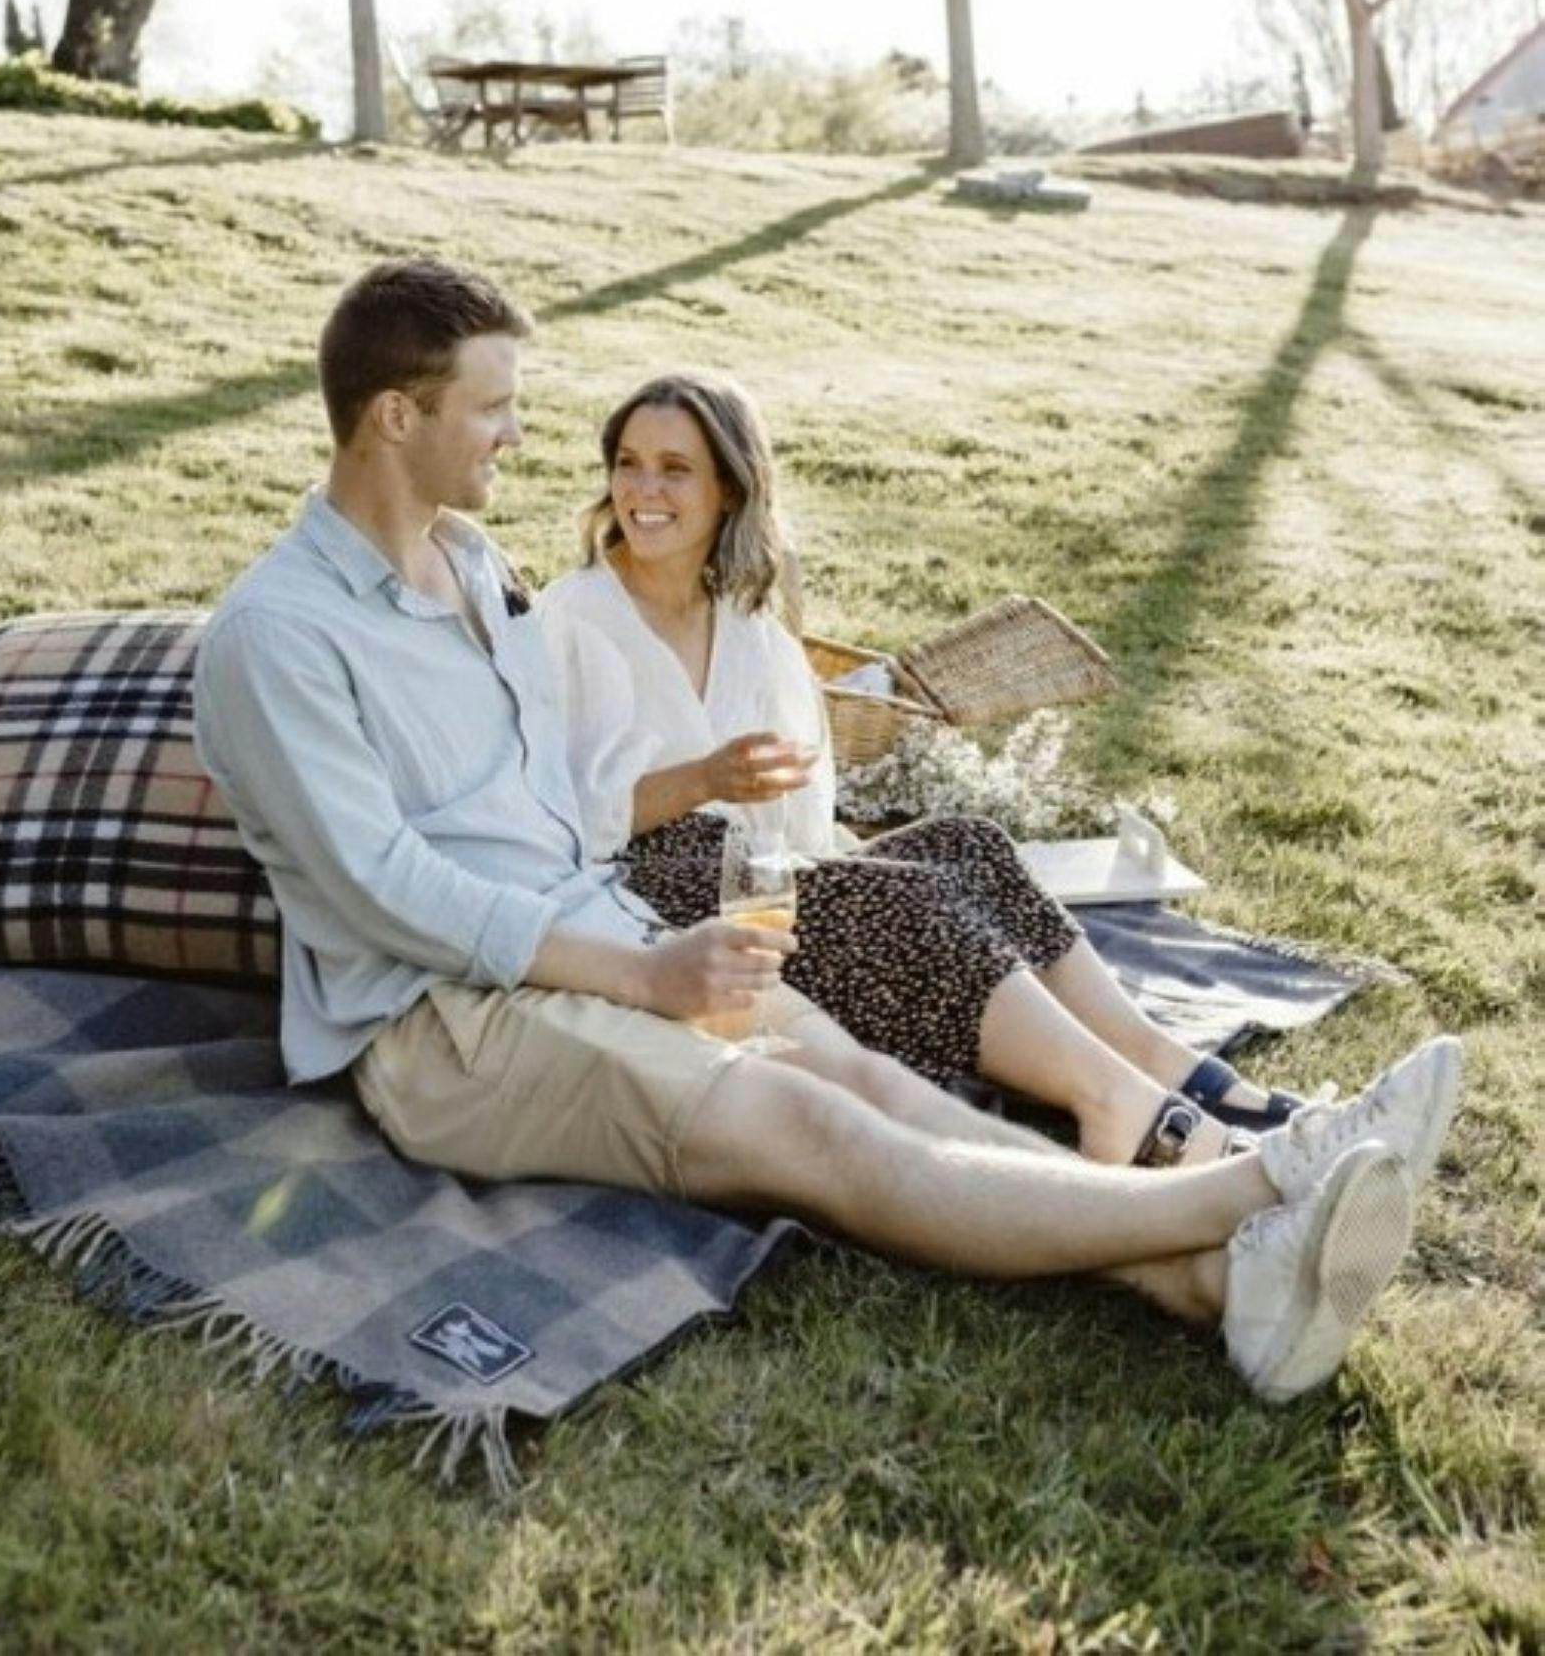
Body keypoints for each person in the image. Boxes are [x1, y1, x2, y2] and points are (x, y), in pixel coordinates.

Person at [193, 257, 1462, 1407]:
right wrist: (642, 970)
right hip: (449, 1020)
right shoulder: (277, 635)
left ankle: (1219, 1287)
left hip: (605, 927)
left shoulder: (471, 569)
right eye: (492, 407)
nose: (519, 437)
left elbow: (544, 799)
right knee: (810, 1131)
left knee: (864, 1077)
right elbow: (382, 886)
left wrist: (643, 932)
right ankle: (1265, 1180)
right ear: (397, 415)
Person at [537, 372, 1306, 1167]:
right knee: (912, 893)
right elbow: (549, 817)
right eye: (629, 463)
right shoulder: (572, 619)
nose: (643, 489)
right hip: (639, 892)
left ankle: (1164, 1060)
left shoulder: (748, 624)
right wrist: (702, 780)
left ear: (730, 487)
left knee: (967, 844)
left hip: (754, 870)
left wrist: (830, 865)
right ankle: (1114, 1103)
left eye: (675, 468)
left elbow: (799, 803)